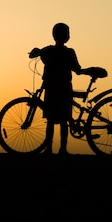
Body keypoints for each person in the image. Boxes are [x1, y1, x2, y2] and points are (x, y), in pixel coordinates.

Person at [29, 23, 85, 155]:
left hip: (51, 87)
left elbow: (32, 56)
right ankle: (63, 149)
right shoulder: (69, 52)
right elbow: (77, 69)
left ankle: (49, 148)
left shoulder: (48, 50)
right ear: (67, 37)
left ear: (53, 35)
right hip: (65, 87)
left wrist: (37, 51)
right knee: (64, 120)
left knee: (51, 119)